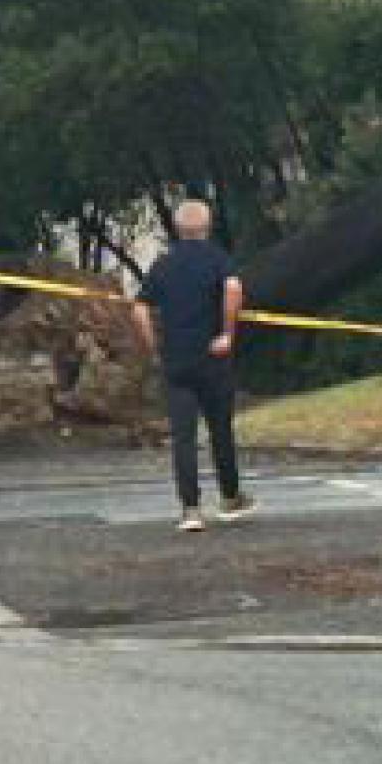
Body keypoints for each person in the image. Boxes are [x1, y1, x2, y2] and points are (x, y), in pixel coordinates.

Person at [131, 201, 252, 535]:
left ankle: (190, 510)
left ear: (178, 228)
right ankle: (230, 497)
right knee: (220, 429)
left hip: (176, 359)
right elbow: (233, 289)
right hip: (212, 357)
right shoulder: (217, 259)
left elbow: (139, 309)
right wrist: (227, 333)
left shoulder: (163, 265)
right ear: (207, 226)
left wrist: (151, 346)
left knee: (183, 436)